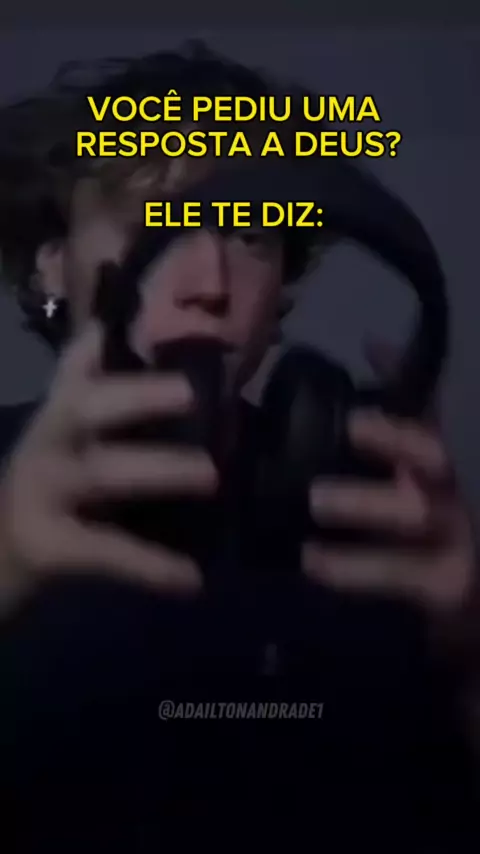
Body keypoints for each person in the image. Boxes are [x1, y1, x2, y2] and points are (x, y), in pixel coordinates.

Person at [0, 41, 478, 851]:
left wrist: (471, 655)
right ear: (54, 266)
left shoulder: (376, 501)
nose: (211, 284)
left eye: (252, 233)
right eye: (156, 223)